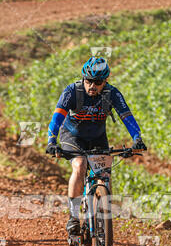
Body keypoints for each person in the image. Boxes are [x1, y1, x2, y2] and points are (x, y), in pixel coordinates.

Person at [46, 56, 147, 235]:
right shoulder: (72, 91)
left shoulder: (112, 94)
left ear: (105, 82)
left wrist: (137, 138)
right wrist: (52, 141)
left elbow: (127, 117)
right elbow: (57, 118)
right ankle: (74, 217)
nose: (92, 86)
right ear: (83, 79)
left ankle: (102, 217)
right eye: (89, 81)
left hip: (97, 137)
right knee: (80, 165)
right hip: (73, 137)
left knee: (104, 175)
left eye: (98, 82)